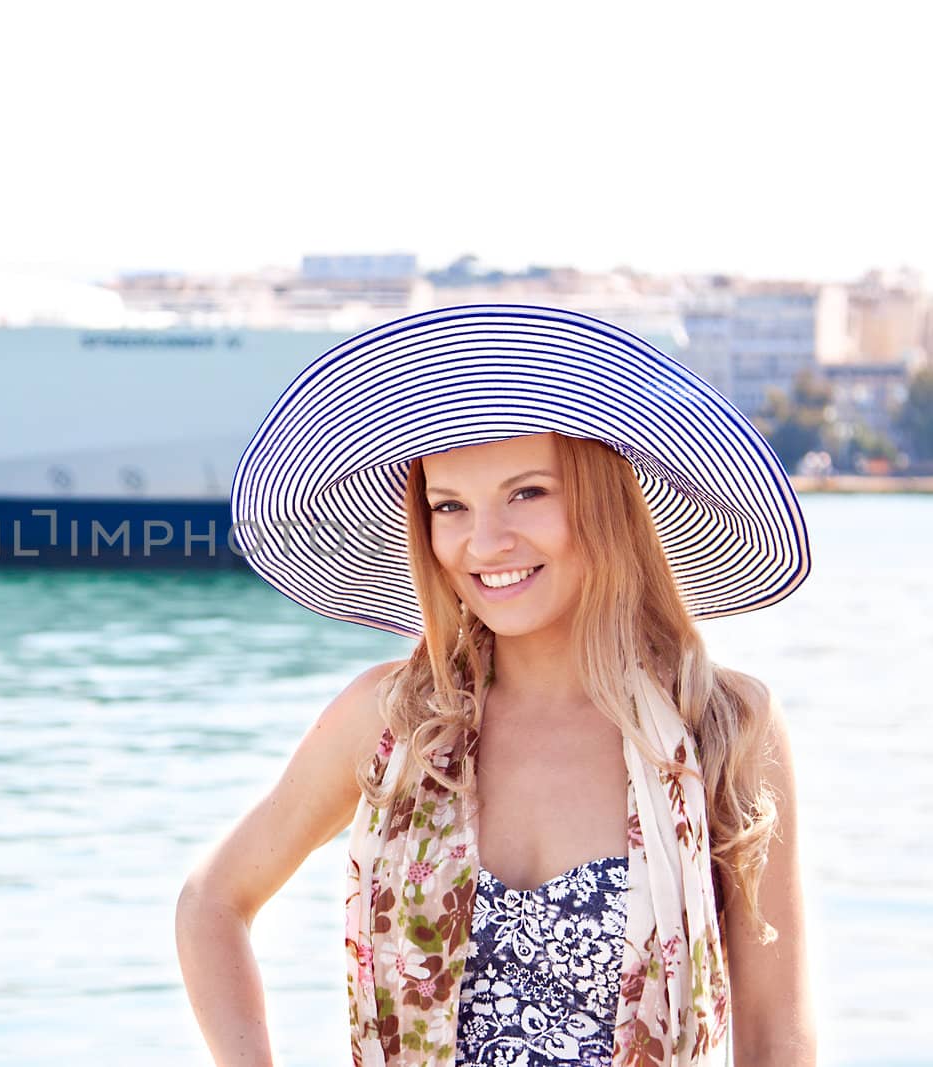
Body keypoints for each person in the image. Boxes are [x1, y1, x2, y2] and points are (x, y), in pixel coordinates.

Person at [175, 306, 817, 1066]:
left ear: (600, 497)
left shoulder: (723, 725)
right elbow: (212, 904)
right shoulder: (391, 723)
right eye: (450, 506)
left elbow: (777, 1036)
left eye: (528, 492)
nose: (485, 542)